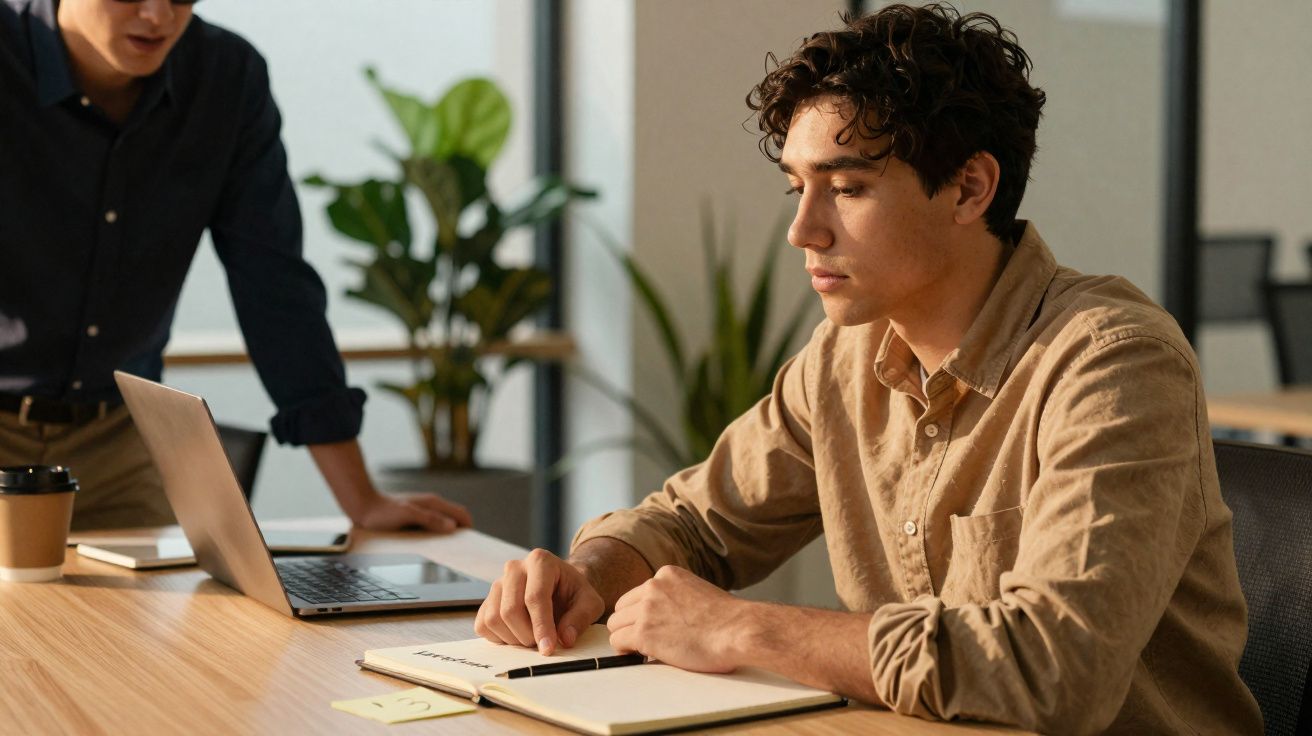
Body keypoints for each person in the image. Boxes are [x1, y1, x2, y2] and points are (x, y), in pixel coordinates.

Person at [473, 4, 1262, 733]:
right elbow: (696, 524)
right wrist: (588, 574)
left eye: (846, 187)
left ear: (969, 188)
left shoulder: (1113, 362)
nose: (803, 231)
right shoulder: (844, 359)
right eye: (797, 187)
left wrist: (744, 628)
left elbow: (1055, 668)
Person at [0, 0, 471, 533]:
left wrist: (361, 500)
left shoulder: (225, 78)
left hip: (119, 445)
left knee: (170, 592)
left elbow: (275, 285)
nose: (159, 16)